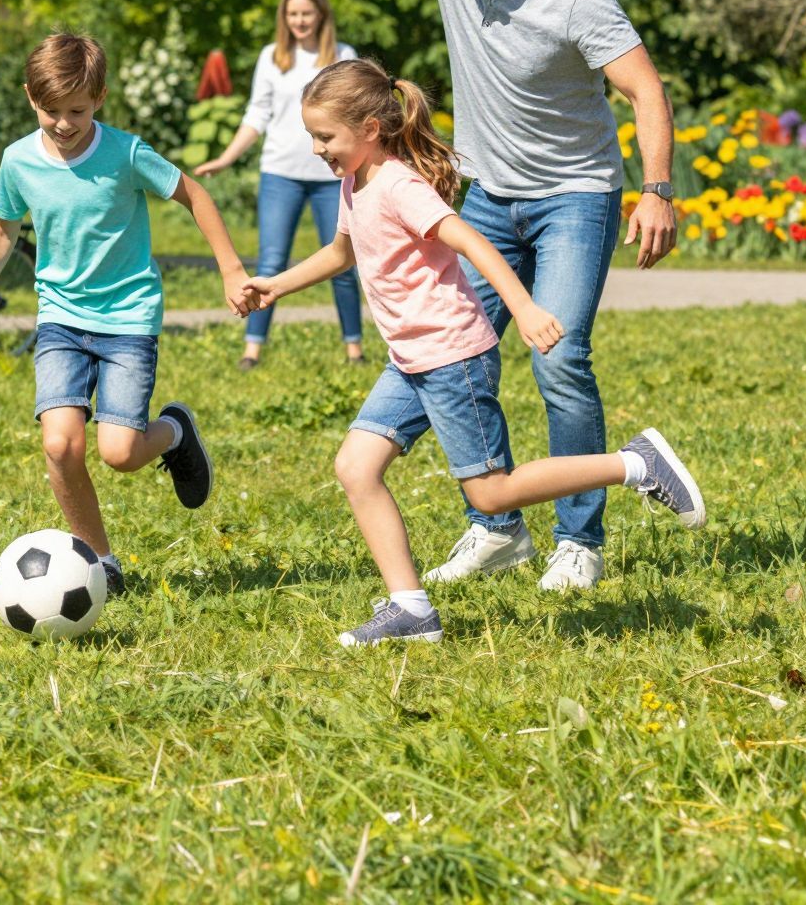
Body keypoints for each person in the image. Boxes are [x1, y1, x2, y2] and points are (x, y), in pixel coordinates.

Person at [264, 0, 677, 594]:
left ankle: (579, 540)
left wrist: (656, 190)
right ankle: (496, 527)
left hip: (574, 197)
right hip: (488, 192)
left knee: (559, 356)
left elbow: (647, 92)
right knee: (447, 350)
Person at [241, 58, 705, 646]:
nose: (316, 148)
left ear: (370, 130)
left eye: (325, 136)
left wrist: (526, 308)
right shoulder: (353, 182)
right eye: (312, 135)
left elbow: (471, 241)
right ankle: (411, 609)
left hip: (452, 356)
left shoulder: (400, 186)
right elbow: (341, 253)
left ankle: (635, 464)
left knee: (491, 492)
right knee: (355, 467)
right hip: (410, 359)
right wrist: (274, 285)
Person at [0, 32, 249, 596]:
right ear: (30, 98)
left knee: (120, 453)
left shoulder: (126, 153)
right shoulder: (18, 160)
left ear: (101, 97)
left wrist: (231, 269)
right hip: (60, 316)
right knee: (61, 444)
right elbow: (3, 230)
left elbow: (196, 196)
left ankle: (175, 431)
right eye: (51, 110)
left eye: (77, 111)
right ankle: (100, 561)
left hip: (128, 317)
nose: (63, 123)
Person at [195, 0, 365, 370]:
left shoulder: (343, 55)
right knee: (271, 262)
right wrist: (226, 157)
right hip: (280, 173)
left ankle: (354, 348)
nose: (300, 21)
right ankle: (253, 347)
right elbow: (257, 115)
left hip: (333, 177)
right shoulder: (272, 56)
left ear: (321, 14)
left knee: (342, 263)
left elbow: (354, 117)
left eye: (306, 13)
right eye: (292, 14)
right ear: (283, 17)